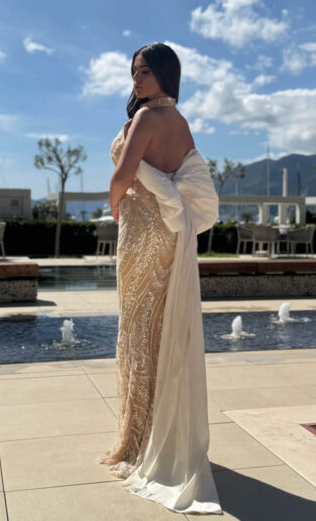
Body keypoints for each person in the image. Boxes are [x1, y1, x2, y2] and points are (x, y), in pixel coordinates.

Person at [98, 43, 223, 515]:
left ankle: (139, 441)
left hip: (142, 236)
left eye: (145, 72)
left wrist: (115, 205)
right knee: (158, 330)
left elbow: (123, 174)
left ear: (165, 74)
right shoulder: (181, 123)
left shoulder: (147, 118)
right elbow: (180, 178)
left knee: (137, 333)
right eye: (134, 71)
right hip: (169, 237)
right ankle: (158, 434)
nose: (137, 79)